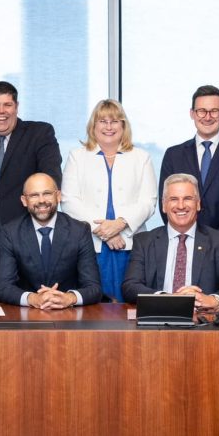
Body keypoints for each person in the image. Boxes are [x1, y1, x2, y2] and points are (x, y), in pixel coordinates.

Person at [0, 81, 62, 302]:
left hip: (26, 245)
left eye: (7, 104)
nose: (1, 111)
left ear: (16, 106)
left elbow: (50, 181)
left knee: (29, 316)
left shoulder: (39, 134)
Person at [59, 99, 156, 302]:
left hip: (130, 244)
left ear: (123, 125)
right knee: (93, 305)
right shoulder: (77, 156)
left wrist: (120, 224)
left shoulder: (141, 157)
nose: (109, 127)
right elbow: (69, 202)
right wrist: (106, 232)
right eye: (102, 121)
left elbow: (149, 201)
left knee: (131, 305)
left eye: (115, 121)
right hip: (91, 244)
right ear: (93, 126)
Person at [157, 85, 219, 278]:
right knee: (181, 306)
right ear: (192, 113)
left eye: (214, 111)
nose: (207, 116)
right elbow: (167, 203)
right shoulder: (173, 155)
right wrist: (190, 238)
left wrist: (214, 242)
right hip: (182, 250)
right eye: (202, 111)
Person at [121, 174, 219, 307]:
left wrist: (212, 300)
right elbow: (130, 287)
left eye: (187, 198)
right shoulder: (144, 241)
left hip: (204, 320)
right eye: (174, 199)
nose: (181, 206)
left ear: (198, 204)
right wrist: (166, 298)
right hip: (158, 317)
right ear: (164, 205)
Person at [0, 173, 102, 309]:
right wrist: (32, 298)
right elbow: (4, 287)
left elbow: (94, 287)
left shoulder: (80, 231)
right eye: (34, 195)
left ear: (58, 196)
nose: (41, 200)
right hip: (26, 316)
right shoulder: (9, 233)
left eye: (47, 193)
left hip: (69, 316)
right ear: (24, 200)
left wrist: (69, 298)